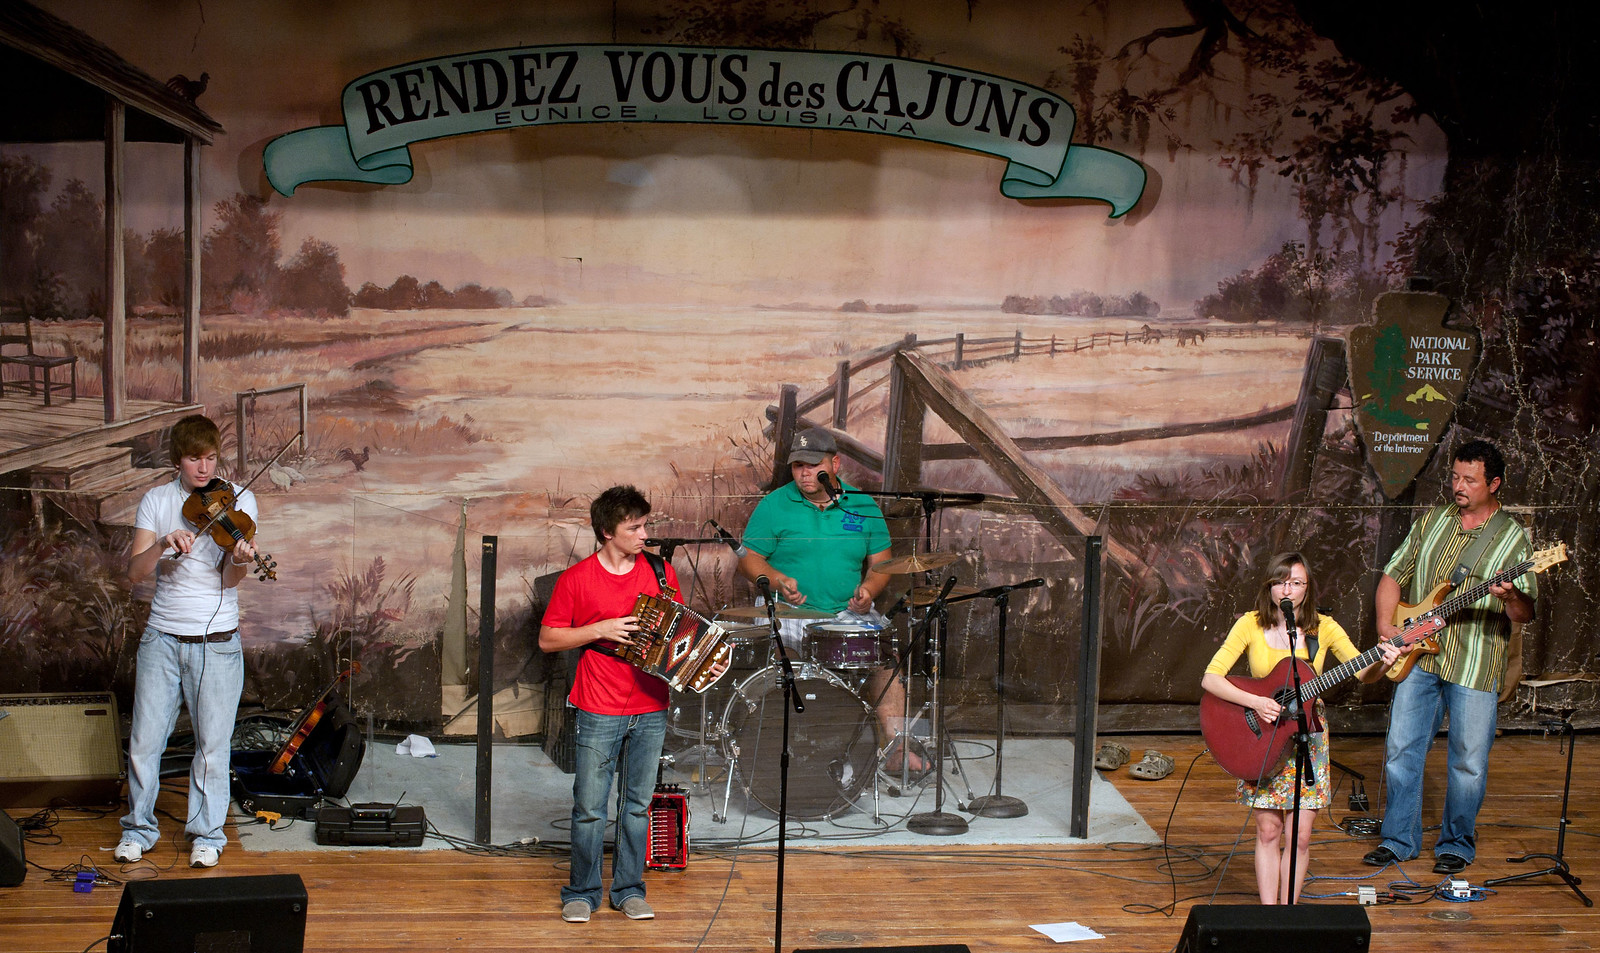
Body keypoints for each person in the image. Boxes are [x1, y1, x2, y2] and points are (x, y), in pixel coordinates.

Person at [1363, 439, 1536, 876]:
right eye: (1455, 476)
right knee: (1402, 749)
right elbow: (1393, 574)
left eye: (1470, 480)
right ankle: (1399, 839)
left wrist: (1511, 594)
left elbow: (1525, 613)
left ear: (1494, 483)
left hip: (1476, 664)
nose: (1458, 486)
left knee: (1468, 760)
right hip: (1420, 658)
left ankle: (1456, 843)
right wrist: (1388, 628)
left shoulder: (1512, 539)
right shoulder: (1433, 521)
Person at [1201, 552, 1394, 904]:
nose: (1288, 589)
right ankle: (1268, 913)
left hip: (1309, 737)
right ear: (1270, 586)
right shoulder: (1250, 624)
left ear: (1308, 588)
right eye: (1281, 582)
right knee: (1268, 829)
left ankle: (1289, 914)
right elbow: (1211, 678)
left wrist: (1383, 662)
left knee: (1300, 836)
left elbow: (1363, 673)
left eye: (1296, 583)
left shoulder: (1325, 627)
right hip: (1265, 734)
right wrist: (1257, 702)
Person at [736, 427, 927, 777]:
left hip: (844, 611)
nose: (805, 473)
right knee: (788, 666)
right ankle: (790, 752)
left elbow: (882, 564)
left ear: (835, 463)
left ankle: (895, 747)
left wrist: (868, 589)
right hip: (788, 613)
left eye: (813, 465)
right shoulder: (775, 504)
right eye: (797, 466)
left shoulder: (862, 504)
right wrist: (778, 580)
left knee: (886, 659)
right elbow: (749, 560)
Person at [114, 414, 260, 869]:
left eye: (211, 458)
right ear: (177, 458)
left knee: (212, 748)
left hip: (216, 643)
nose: (204, 468)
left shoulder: (238, 500)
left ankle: (206, 835)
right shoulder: (156, 500)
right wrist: (161, 544)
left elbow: (233, 581)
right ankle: (139, 830)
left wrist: (239, 559)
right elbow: (133, 574)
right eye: (195, 458)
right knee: (143, 742)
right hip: (162, 638)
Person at [539, 485, 675, 924]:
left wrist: (698, 658)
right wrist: (601, 628)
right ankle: (581, 891)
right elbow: (548, 639)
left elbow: (676, 635)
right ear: (605, 531)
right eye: (634, 527)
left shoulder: (660, 572)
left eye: (645, 525)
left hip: (652, 703)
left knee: (637, 804)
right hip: (599, 704)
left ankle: (629, 889)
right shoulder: (576, 579)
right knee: (590, 807)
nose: (644, 534)